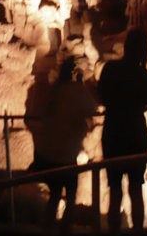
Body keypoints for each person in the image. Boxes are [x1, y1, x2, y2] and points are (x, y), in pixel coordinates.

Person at [98, 29, 147, 233]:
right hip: (134, 134)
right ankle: (137, 231)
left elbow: (101, 98)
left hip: (113, 133)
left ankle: (114, 231)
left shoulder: (110, 69)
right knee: (135, 189)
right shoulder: (142, 75)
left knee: (114, 191)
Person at [31, 58, 97, 233]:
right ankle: (65, 228)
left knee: (54, 194)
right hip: (67, 153)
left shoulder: (55, 89)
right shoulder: (76, 90)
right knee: (71, 193)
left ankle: (50, 228)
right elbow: (91, 108)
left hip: (50, 151)